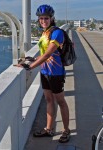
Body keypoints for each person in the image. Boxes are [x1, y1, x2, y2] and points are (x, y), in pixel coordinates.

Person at [17, 4, 70, 143]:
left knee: (60, 101)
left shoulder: (57, 33)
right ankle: (48, 129)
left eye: (46, 18)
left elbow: (47, 54)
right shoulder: (44, 33)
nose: (43, 21)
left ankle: (66, 130)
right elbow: (42, 53)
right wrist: (32, 59)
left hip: (56, 73)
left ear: (51, 18)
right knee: (48, 100)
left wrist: (30, 67)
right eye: (41, 18)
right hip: (45, 71)